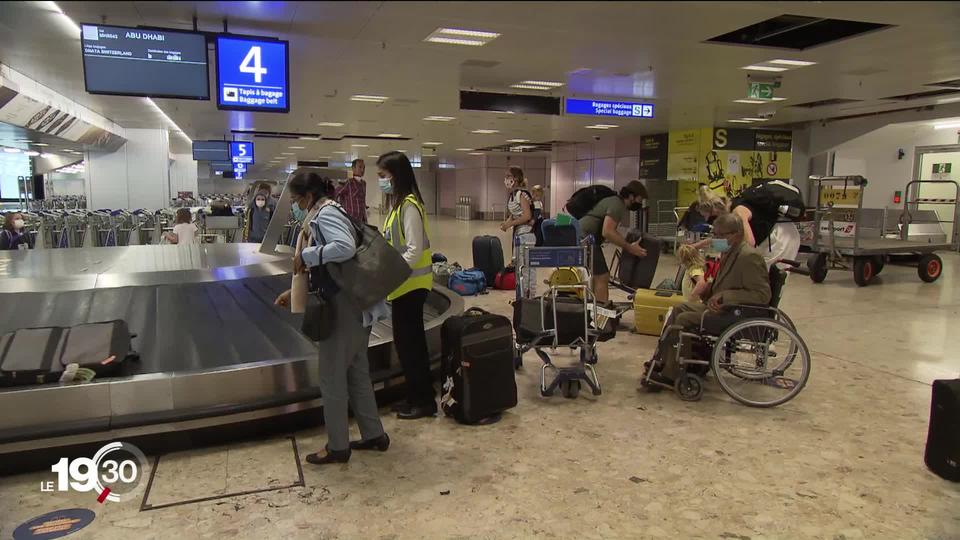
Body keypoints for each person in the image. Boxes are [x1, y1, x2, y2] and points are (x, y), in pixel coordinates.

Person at [275, 171, 389, 465]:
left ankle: (338, 446)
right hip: (353, 302)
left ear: (309, 196)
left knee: (331, 377)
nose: (297, 205)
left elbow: (344, 248)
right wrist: (295, 291)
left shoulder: (325, 214)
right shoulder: (330, 210)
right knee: (356, 371)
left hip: (343, 308)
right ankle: (374, 434)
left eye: (298, 199)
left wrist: (308, 256)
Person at [643, 213, 771, 388]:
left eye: (720, 235)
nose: (715, 239)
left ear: (736, 234)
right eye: (714, 234)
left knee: (683, 319)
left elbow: (762, 295)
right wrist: (710, 292)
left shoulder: (748, 257)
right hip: (722, 308)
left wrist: (725, 296)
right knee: (678, 309)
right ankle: (664, 360)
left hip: (736, 314)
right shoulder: (729, 253)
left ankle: (672, 374)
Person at [378, 151, 437, 420]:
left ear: (396, 176)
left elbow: (413, 250)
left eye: (384, 176)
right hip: (402, 286)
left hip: (411, 286)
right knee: (405, 345)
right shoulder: (397, 205)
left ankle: (424, 401)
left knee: (412, 346)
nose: (381, 181)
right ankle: (414, 396)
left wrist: (392, 271)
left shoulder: (410, 205)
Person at [695, 183, 802, 268]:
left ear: (716, 212)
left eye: (710, 218)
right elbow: (724, 239)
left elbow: (749, 243)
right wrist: (696, 246)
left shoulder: (738, 212)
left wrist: (728, 259)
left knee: (764, 283)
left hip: (780, 238)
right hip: (776, 235)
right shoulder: (732, 207)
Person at [577, 180, 649, 303]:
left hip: (583, 238)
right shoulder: (617, 205)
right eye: (639, 199)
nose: (640, 203)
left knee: (596, 276)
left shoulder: (614, 201)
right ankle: (601, 313)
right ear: (631, 196)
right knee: (602, 276)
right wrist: (630, 247)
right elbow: (608, 232)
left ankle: (594, 309)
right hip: (586, 240)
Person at [499, 166, 535, 258]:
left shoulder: (522, 194)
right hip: (519, 232)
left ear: (516, 178)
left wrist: (510, 224)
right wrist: (506, 223)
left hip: (526, 232)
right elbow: (515, 213)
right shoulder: (513, 194)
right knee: (517, 262)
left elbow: (527, 216)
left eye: (508, 176)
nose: (506, 179)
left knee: (525, 265)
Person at [335, 159, 368, 224]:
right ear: (353, 168)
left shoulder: (363, 184)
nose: (362, 170)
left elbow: (363, 201)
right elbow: (336, 193)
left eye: (364, 167)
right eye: (360, 167)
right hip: (350, 219)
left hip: (361, 220)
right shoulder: (349, 183)